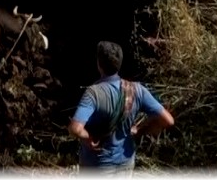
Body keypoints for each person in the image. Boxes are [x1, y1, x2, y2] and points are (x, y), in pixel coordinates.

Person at [68, 41, 174, 174]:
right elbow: (168, 120)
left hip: (97, 165)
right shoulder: (137, 90)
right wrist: (140, 131)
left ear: (99, 64)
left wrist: (88, 137)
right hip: (126, 163)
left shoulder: (93, 93)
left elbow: (75, 129)